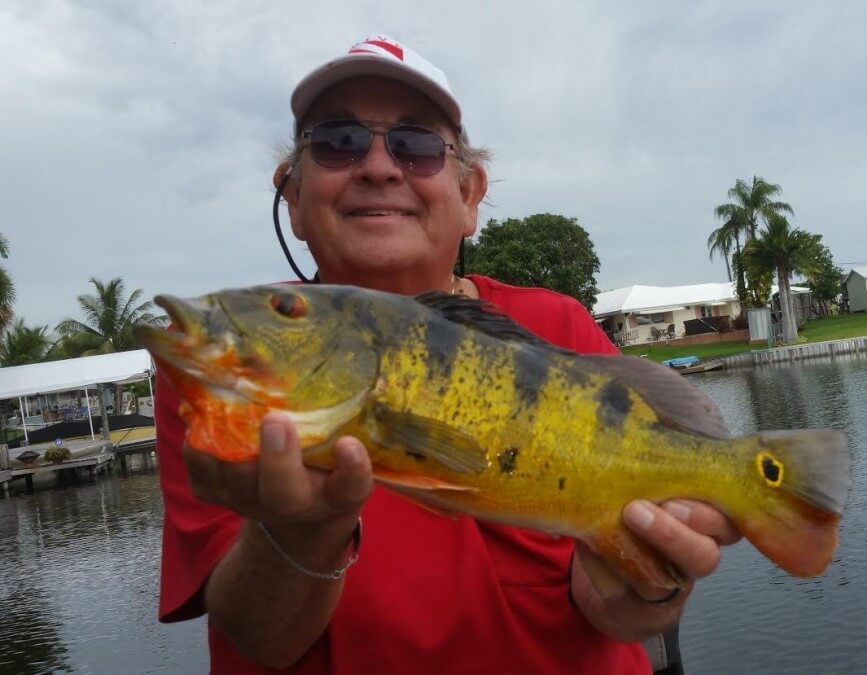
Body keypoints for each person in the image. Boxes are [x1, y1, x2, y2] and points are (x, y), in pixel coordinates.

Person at [153, 34, 742, 674]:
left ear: (469, 197)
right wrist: (298, 530)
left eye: (417, 144)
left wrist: (652, 585)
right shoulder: (229, 363)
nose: (379, 166)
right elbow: (259, 638)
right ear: (292, 197)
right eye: (338, 142)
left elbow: (616, 603)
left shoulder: (556, 327)